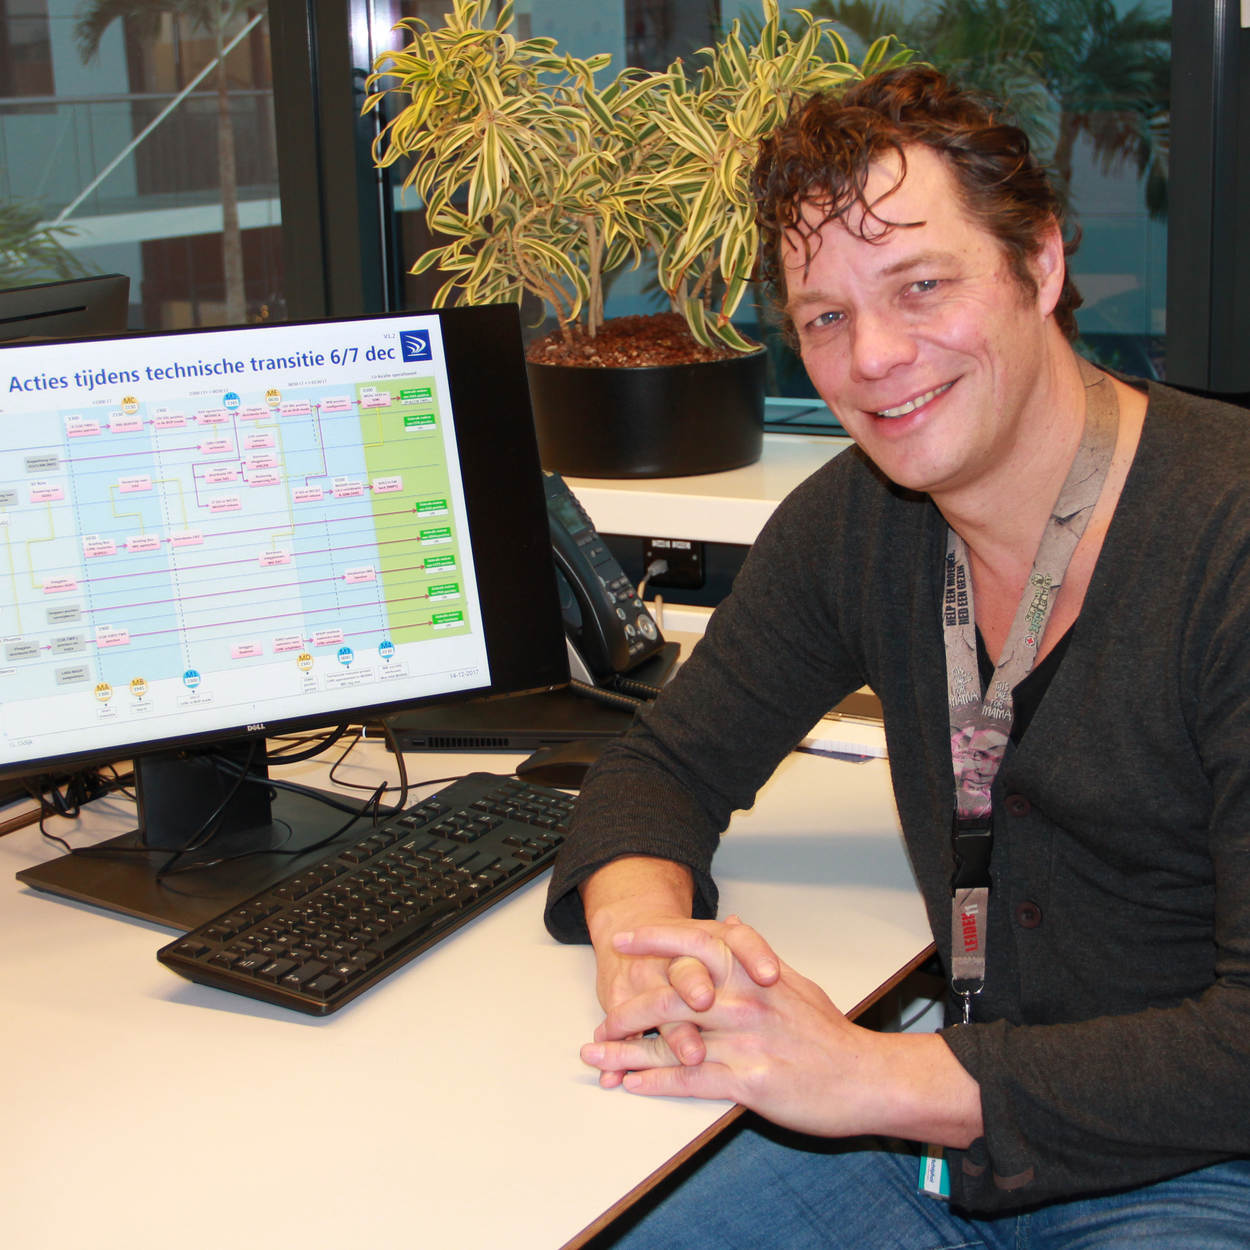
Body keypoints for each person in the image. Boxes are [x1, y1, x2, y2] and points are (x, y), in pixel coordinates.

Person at [544, 63, 1250, 1246]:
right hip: (936, 1140)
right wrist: (646, 952)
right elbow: (662, 766)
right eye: (824, 317)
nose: (871, 356)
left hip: (1198, 1161)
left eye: (919, 285)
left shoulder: (1224, 542)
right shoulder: (856, 523)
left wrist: (866, 1073)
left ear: (1039, 264)